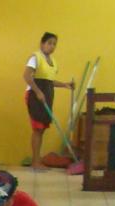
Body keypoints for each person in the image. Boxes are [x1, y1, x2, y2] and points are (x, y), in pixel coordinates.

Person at [25, 32, 75, 169]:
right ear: (42, 43)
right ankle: (35, 162)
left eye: (54, 44)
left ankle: (37, 160)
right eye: (49, 43)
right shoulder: (35, 57)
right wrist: (37, 91)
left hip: (46, 94)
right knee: (37, 128)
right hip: (35, 96)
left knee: (42, 130)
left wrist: (65, 85)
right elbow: (27, 76)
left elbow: (49, 81)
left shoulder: (52, 62)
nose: (52, 46)